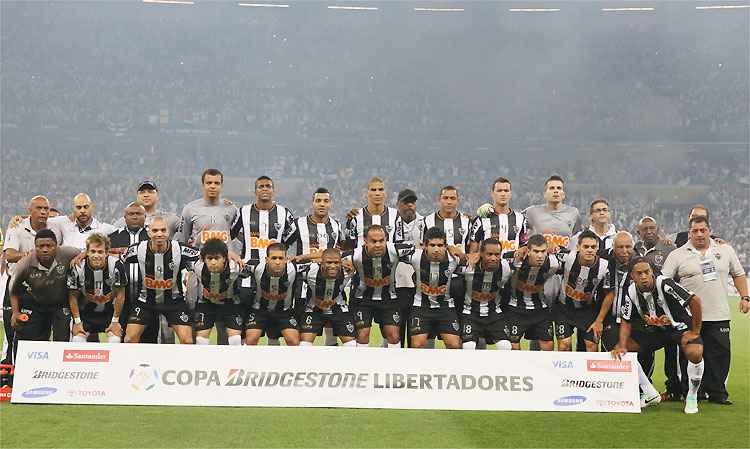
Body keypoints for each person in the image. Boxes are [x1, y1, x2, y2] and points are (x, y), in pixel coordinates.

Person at [661, 215, 748, 404]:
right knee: (690, 356)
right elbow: (663, 282)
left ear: (709, 230)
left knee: (720, 356)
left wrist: (745, 297)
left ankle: (717, 394)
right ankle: (692, 392)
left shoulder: (725, 250)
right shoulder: (677, 254)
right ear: (689, 232)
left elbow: (739, 274)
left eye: (703, 230)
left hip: (719, 314)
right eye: (695, 231)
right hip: (689, 317)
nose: (699, 234)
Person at [613, 257, 706, 413]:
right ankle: (650, 393)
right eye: (639, 273)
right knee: (622, 351)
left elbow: (694, 301)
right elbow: (626, 320)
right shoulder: (630, 291)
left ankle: (692, 395)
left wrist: (695, 331)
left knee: (695, 352)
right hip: (655, 332)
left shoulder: (664, 284)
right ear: (632, 276)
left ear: (651, 272)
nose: (643, 276)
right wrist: (622, 344)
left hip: (678, 328)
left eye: (646, 272)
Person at [231, 175, 297, 346]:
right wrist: (235, 254)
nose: (265, 189)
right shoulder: (243, 211)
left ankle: (273, 347)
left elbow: (292, 236)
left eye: (268, 186)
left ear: (273, 190)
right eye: (261, 186)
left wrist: (279, 256)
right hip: (248, 269)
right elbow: (230, 234)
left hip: (275, 269)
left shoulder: (284, 213)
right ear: (255, 191)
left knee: (277, 305)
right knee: (246, 303)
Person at [177, 169, 240, 345]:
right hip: (199, 272)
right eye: (209, 183)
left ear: (221, 185)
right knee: (200, 319)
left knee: (224, 323)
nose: (213, 186)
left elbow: (234, 235)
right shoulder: (190, 209)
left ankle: (224, 366)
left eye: (216, 183)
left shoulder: (231, 208)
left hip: (225, 271)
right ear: (203, 184)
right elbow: (183, 241)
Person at [523, 175, 581, 351]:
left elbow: (576, 239)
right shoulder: (532, 212)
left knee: (563, 319)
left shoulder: (574, 213)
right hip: (541, 275)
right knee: (539, 321)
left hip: (563, 275)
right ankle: (536, 364)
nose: (556, 191)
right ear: (545, 193)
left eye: (559, 188)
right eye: (552, 188)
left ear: (563, 193)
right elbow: (514, 224)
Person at [122, 216, 200, 344]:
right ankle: (134, 364)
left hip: (174, 302)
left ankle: (182, 364)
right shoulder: (137, 249)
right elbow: (118, 259)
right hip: (145, 302)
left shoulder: (179, 249)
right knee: (129, 339)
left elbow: (204, 254)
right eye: (155, 230)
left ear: (168, 232)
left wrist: (228, 253)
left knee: (187, 341)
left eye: (163, 230)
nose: (159, 234)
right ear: (148, 232)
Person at [8, 229, 80, 355]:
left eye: (49, 246)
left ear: (56, 246)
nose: (45, 249)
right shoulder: (24, 264)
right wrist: (15, 312)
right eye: (40, 246)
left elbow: (84, 253)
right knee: (36, 341)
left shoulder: (68, 253)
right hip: (37, 304)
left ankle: (61, 370)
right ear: (35, 247)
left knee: (62, 339)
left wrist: (80, 257)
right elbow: (13, 290)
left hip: (61, 304)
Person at [288, 188, 344, 346]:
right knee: (301, 321)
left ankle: (329, 355)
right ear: (312, 203)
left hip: (328, 279)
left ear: (330, 204)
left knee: (330, 319)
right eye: (318, 201)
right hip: (303, 281)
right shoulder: (299, 223)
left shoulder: (336, 226)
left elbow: (342, 250)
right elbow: (283, 243)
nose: (322, 204)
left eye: (325, 201)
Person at [634, 215, 681, 400]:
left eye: (652, 228)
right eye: (645, 229)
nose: (649, 231)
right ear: (639, 232)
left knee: (672, 348)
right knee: (646, 347)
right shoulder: (636, 249)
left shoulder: (669, 247)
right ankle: (646, 386)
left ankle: (675, 389)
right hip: (644, 307)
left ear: (658, 228)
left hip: (666, 306)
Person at [345, 224, 414, 348]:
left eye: (381, 241)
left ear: (386, 239)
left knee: (393, 336)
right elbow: (331, 256)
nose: (378, 245)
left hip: (389, 300)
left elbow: (419, 250)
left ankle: (392, 367)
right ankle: (362, 367)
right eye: (374, 241)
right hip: (363, 300)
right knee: (363, 335)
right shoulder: (355, 255)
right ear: (365, 240)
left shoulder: (394, 250)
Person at [2, 195, 50, 373]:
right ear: (29, 210)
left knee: (40, 334)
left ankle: (35, 374)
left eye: (46, 208)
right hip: (17, 286)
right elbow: (10, 255)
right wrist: (31, 256)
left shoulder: (54, 227)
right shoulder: (17, 227)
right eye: (39, 208)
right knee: (13, 332)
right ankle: (12, 377)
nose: (43, 212)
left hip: (42, 288)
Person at [422, 186, 471, 349]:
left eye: (452, 198)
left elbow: (472, 250)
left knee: (459, 329)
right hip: (433, 281)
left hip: (460, 281)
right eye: (445, 198)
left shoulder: (466, 221)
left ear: (458, 200)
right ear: (439, 199)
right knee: (429, 331)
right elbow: (422, 248)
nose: (449, 201)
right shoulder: (427, 221)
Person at [108, 202, 163, 344]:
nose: (134, 217)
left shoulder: (153, 237)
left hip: (148, 298)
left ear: (145, 217)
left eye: (138, 214)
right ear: (124, 217)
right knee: (122, 338)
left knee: (149, 338)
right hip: (121, 298)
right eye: (131, 214)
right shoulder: (112, 238)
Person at [551, 230, 612, 352]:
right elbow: (550, 253)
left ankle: (589, 372)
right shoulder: (567, 258)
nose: (589, 250)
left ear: (597, 249)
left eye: (593, 247)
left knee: (591, 346)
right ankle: (565, 371)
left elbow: (610, 294)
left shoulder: (604, 267)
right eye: (586, 246)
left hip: (588, 312)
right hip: (564, 309)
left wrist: (599, 321)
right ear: (578, 247)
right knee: (564, 345)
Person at [407, 227, 466, 349]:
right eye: (432, 245)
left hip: (445, 307)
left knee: (454, 345)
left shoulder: (454, 258)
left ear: (446, 246)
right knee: (417, 344)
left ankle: (451, 369)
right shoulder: (415, 257)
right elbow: (391, 250)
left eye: (440, 245)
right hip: (421, 306)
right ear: (425, 246)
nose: (436, 249)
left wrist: (462, 255)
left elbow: (473, 260)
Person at [67, 234, 126, 343]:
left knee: (114, 340)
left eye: (100, 252)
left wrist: (115, 321)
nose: (96, 255)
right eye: (93, 251)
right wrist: (77, 322)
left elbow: (120, 295)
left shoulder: (117, 265)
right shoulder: (78, 267)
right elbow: (72, 297)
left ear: (106, 252)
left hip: (109, 313)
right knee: (77, 340)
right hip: (86, 313)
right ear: (87, 252)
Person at [505, 234, 559, 351]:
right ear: (528, 251)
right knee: (513, 346)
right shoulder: (515, 259)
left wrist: (554, 246)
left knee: (548, 345)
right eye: (536, 251)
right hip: (516, 309)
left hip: (540, 309)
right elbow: (497, 257)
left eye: (543, 251)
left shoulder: (553, 263)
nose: (540, 255)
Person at [243, 243, 301, 346]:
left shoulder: (294, 269)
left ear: (286, 259)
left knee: (294, 341)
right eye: (274, 258)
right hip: (259, 310)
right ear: (266, 259)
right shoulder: (256, 267)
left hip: (284, 311)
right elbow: (234, 265)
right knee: (251, 340)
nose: (277, 262)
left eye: (281, 258)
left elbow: (320, 263)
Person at [460, 238, 512, 350]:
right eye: (489, 254)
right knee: (468, 347)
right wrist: (465, 256)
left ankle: (498, 368)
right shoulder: (469, 266)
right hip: (470, 313)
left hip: (494, 313)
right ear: (481, 254)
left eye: (497, 254)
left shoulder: (505, 267)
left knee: (505, 346)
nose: (493, 258)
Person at [299, 248, 357, 347]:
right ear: (321, 262)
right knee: (304, 345)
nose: (333, 266)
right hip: (313, 309)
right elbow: (293, 275)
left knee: (351, 345)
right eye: (329, 262)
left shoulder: (348, 270)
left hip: (338, 308)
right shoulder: (309, 271)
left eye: (336, 262)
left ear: (341, 262)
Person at [192, 238, 244, 346]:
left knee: (235, 340)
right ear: (203, 259)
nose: (213, 262)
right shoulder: (197, 267)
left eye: (217, 258)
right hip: (206, 304)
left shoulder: (235, 268)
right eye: (209, 258)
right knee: (201, 341)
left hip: (230, 305)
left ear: (225, 258)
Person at [596, 231, 635, 352]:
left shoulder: (640, 263)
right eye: (620, 247)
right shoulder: (603, 259)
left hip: (633, 321)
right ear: (613, 248)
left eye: (628, 247)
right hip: (610, 319)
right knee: (609, 358)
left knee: (639, 360)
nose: (624, 251)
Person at [393, 189, 423, 348]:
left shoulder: (424, 223)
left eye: (412, 202)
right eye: (405, 202)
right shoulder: (391, 223)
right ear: (398, 204)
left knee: (415, 332)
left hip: (417, 285)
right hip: (396, 284)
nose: (410, 205)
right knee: (395, 332)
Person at [470, 177, 527, 255]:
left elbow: (524, 246)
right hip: (489, 266)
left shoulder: (520, 219)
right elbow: (472, 251)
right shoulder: (482, 218)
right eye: (499, 191)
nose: (503, 194)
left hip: (513, 266)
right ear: (492, 193)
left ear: (510, 194)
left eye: (506, 191)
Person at [343, 177, 403, 249]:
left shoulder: (395, 215)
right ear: (366, 193)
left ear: (385, 193)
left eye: (381, 189)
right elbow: (350, 246)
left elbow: (400, 244)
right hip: (363, 260)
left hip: (388, 260)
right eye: (373, 190)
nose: (377, 193)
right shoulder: (356, 216)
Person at [46, 193, 117, 249]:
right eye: (79, 207)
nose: (82, 211)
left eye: (86, 207)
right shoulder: (64, 224)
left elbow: (123, 232)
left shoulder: (104, 229)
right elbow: (45, 220)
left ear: (92, 207)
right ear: (74, 209)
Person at [114, 180, 180, 238]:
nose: (146, 195)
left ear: (157, 196)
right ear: (137, 197)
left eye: (150, 192)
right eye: (142, 192)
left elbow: (187, 230)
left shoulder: (170, 219)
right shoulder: (125, 221)